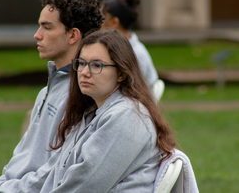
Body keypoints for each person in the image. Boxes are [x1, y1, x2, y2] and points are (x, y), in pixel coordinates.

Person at [0, 0, 102, 193]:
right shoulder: (47, 91)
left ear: (73, 35)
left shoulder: (83, 93)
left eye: (47, 27)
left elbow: (55, 173)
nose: (37, 35)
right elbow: (20, 162)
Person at [39, 28, 177, 192]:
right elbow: (56, 174)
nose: (84, 72)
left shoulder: (127, 117)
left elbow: (84, 185)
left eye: (97, 65)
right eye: (81, 63)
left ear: (121, 73)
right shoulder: (93, 111)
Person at [101, 0, 164, 101]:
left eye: (103, 18)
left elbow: (135, 95)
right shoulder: (118, 48)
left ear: (114, 22)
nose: (99, 23)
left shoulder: (135, 54)